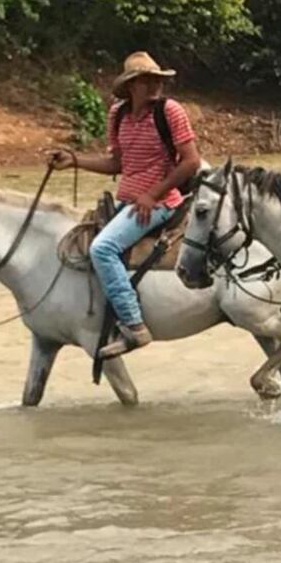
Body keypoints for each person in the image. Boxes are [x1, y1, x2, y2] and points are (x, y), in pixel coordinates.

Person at [49, 51, 202, 357]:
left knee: (101, 248)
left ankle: (134, 325)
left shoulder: (170, 111)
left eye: (157, 80)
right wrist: (75, 161)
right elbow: (117, 163)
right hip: (128, 201)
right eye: (147, 81)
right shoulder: (117, 114)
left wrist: (153, 194)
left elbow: (191, 161)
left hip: (160, 202)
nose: (155, 86)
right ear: (131, 85)